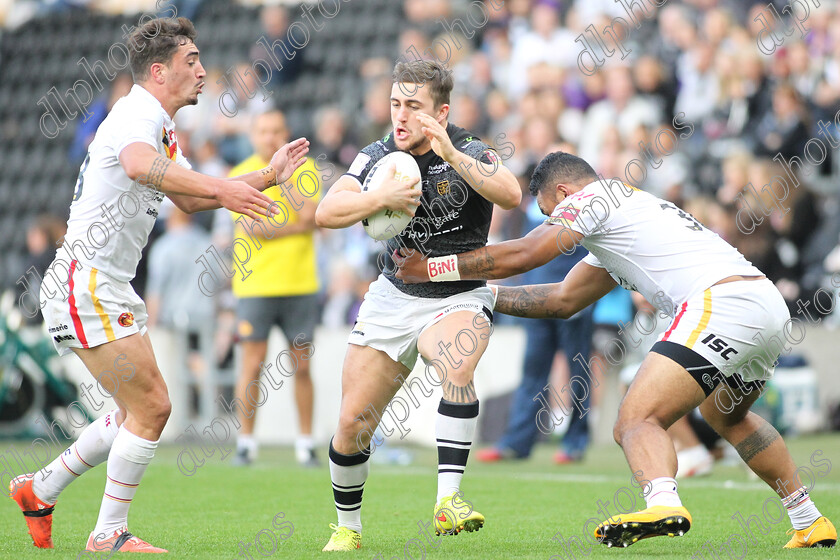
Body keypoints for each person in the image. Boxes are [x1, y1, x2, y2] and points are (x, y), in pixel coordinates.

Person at [395, 151, 837, 549]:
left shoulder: (592, 200)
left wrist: (435, 270)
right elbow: (563, 300)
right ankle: (808, 519)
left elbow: (528, 253)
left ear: (564, 193)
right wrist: (482, 295)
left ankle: (663, 501)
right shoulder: (622, 216)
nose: (552, 221)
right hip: (765, 307)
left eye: (550, 212)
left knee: (635, 419)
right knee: (727, 414)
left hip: (721, 303)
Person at [10, 17, 309, 553]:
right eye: (190, 61)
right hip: (86, 281)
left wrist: (266, 177)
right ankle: (108, 534)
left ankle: (41, 488)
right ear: (158, 70)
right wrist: (225, 188)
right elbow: (140, 165)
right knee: (153, 408)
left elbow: (192, 198)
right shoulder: (136, 114)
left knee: (132, 412)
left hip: (108, 284)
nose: (201, 71)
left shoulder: (161, 123)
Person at [314, 59, 521, 551]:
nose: (400, 116)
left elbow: (511, 193)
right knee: (351, 424)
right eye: (394, 104)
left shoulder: (469, 149)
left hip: (457, 294)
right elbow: (326, 211)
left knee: (457, 364)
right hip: (392, 296)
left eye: (413, 106)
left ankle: (448, 500)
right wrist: (377, 198)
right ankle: (349, 528)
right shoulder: (376, 157)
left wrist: (450, 151)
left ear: (441, 112)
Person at [228, 109, 321, 467]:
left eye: (276, 131)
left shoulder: (306, 168)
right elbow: (254, 229)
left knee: (302, 367)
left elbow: (312, 216)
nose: (269, 137)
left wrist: (289, 211)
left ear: (286, 133)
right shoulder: (241, 174)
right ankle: (246, 443)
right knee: (252, 366)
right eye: (263, 131)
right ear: (253, 135)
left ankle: (305, 444)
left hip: (300, 283)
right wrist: (297, 225)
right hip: (255, 285)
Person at [476, 196, 595, 464]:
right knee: (532, 373)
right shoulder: (533, 206)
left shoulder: (585, 206)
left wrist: (585, 297)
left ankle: (574, 442)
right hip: (537, 301)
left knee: (578, 374)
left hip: (573, 301)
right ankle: (517, 443)